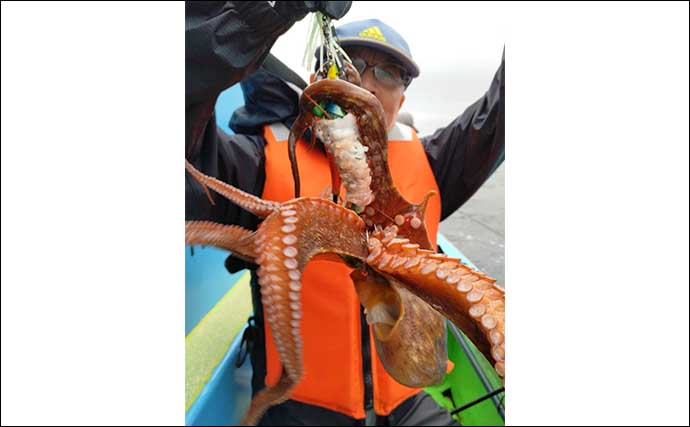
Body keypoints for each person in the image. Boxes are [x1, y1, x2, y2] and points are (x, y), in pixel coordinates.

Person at [186, 3, 504, 425]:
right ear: (318, 79)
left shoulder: (432, 165)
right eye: (350, 62)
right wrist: (256, 16)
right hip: (300, 410)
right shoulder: (258, 164)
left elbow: (501, 114)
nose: (368, 83)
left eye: (389, 73)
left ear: (402, 98)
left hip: (408, 402)